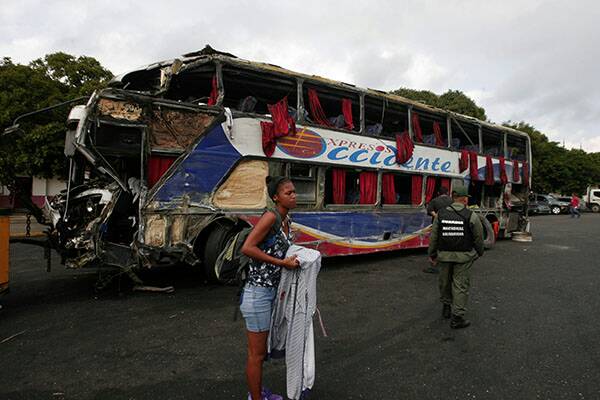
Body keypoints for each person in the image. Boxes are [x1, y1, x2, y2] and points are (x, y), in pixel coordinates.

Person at [240, 176, 300, 400]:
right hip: (258, 294)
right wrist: (282, 263)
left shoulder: (287, 220)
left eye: (294, 192)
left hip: (272, 292)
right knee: (256, 354)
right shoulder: (270, 217)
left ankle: (257, 392)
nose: (294, 196)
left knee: (261, 353)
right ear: (276, 197)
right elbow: (248, 248)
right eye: (289, 193)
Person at [428, 186, 484, 329]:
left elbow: (434, 237)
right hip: (463, 257)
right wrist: (479, 252)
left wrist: (432, 254)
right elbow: (478, 237)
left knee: (445, 282)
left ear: (453, 197)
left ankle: (446, 307)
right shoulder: (471, 215)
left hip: (444, 255)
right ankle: (457, 317)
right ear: (465, 199)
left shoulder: (440, 214)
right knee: (460, 285)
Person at [423, 187, 453, 274]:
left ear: (438, 193)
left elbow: (430, 211)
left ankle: (435, 265)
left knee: (436, 243)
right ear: (447, 192)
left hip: (438, 226)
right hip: (449, 225)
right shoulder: (451, 201)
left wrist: (437, 217)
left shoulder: (434, 200)